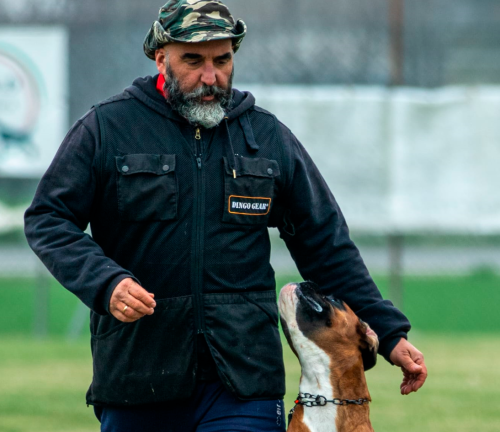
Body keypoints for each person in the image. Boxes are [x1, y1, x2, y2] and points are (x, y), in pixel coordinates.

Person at [24, 1, 427, 431]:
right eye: (193, 60)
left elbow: (325, 244)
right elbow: (48, 218)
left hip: (244, 382)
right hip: (138, 376)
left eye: (223, 59)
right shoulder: (107, 128)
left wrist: (387, 333)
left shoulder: (267, 138)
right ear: (161, 57)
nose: (210, 76)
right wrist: (106, 283)